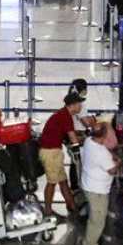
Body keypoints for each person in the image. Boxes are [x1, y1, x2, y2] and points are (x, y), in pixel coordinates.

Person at [37, 91, 83, 219]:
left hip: (53, 151)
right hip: (50, 152)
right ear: (72, 105)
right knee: (52, 182)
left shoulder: (62, 114)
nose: (81, 106)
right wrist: (87, 139)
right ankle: (47, 211)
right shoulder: (65, 116)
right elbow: (73, 139)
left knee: (63, 181)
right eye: (79, 104)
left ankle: (72, 206)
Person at [78, 121, 119, 245]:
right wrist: (117, 162)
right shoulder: (101, 153)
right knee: (98, 219)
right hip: (98, 190)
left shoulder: (89, 141)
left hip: (88, 184)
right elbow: (112, 170)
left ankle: (90, 244)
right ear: (105, 135)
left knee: (94, 216)